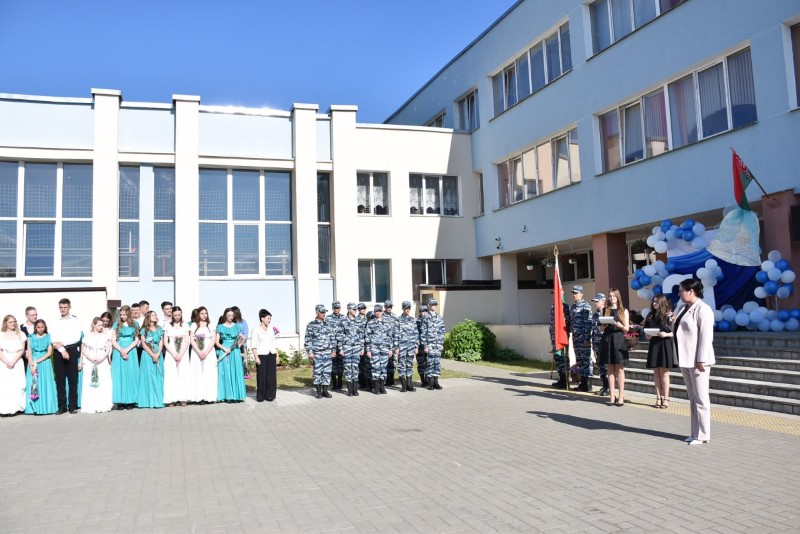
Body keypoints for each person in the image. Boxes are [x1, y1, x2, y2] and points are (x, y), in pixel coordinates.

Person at [674, 279, 715, 445]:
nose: (679, 294)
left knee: (701, 398)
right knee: (692, 398)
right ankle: (695, 432)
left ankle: (703, 434)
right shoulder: (682, 308)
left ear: (691, 291)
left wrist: (701, 358)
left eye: (681, 290)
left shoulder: (703, 309)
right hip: (685, 358)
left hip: (698, 360)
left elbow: (706, 336)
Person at [49, 298, 83, 414]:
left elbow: (76, 337)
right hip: (58, 352)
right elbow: (53, 339)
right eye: (61, 307)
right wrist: (62, 350)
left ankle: (72, 406)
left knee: (73, 380)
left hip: (72, 351)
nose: (63, 309)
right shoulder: (55, 322)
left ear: (69, 307)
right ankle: (62, 406)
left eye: (65, 307)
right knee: (60, 380)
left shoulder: (76, 321)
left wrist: (63, 343)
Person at [645, 294, 677, 409]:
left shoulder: (669, 315)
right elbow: (647, 332)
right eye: (653, 301)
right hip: (654, 344)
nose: (654, 303)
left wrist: (666, 334)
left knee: (664, 373)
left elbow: (675, 332)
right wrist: (648, 335)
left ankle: (666, 398)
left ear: (662, 302)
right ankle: (658, 398)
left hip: (665, 344)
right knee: (656, 372)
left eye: (657, 302)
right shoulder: (650, 315)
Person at [599, 288, 630, 406]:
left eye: (614, 296)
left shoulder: (623, 310)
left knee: (620, 369)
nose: (611, 298)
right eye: (610, 296)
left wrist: (619, 325)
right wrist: (602, 327)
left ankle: (621, 396)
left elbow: (627, 329)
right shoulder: (604, 310)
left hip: (619, 340)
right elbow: (600, 329)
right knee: (610, 370)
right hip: (607, 339)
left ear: (618, 297)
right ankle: (612, 396)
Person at [80, 317, 113, 413]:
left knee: (103, 381)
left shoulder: (105, 336)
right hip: (90, 360)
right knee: (90, 381)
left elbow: (107, 349)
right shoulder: (88, 336)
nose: (101, 327)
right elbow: (83, 349)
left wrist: (102, 358)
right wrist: (90, 358)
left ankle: (103, 404)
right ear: (94, 325)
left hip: (102, 360)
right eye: (99, 325)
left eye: (102, 325)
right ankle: (91, 405)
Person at [25, 319, 57, 415]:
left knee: (46, 384)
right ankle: (34, 407)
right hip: (33, 363)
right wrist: (31, 364)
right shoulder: (30, 337)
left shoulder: (48, 337)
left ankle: (47, 407)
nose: (40, 329)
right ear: (35, 327)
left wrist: (37, 361)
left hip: (45, 362)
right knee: (33, 384)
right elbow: (29, 352)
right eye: (38, 327)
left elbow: (49, 352)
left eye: (42, 327)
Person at [110, 305, 140, 409]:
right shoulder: (116, 324)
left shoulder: (135, 324)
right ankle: (120, 401)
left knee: (131, 374)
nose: (122, 316)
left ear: (129, 314)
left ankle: (131, 400)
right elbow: (113, 340)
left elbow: (136, 339)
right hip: (118, 351)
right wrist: (121, 350)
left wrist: (127, 350)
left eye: (124, 314)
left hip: (131, 350)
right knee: (119, 375)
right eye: (121, 314)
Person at [304, 304, 336, 399]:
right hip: (317, 353)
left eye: (324, 312)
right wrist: (310, 352)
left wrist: (333, 350)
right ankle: (318, 392)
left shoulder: (328, 324)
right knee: (317, 372)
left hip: (327, 352)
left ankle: (325, 391)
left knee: (327, 372)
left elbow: (332, 338)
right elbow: (308, 340)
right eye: (322, 312)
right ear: (317, 312)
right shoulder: (311, 325)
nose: (324, 314)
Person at [216, 308, 246, 402]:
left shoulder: (237, 326)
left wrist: (239, 344)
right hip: (224, 350)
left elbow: (241, 338)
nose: (230, 317)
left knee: (236, 371)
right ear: (225, 315)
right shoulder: (220, 327)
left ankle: (237, 396)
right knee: (225, 372)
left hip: (235, 350)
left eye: (232, 315)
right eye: (229, 315)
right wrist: (224, 348)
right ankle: (227, 396)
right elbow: (217, 342)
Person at [163, 306, 191, 406]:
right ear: (172, 315)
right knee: (171, 375)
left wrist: (181, 354)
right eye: (175, 315)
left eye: (179, 315)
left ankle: (183, 398)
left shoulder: (185, 325)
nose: (177, 317)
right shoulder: (167, 325)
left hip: (183, 352)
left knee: (183, 374)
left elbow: (187, 341)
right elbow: (165, 342)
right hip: (171, 352)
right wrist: (174, 354)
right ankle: (172, 399)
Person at [136, 311, 164, 409]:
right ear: (148, 317)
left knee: (158, 375)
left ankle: (158, 399)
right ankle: (148, 400)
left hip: (158, 352)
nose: (155, 316)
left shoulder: (159, 328)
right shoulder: (144, 330)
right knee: (148, 375)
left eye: (156, 315)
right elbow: (144, 344)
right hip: (147, 355)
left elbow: (161, 342)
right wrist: (152, 355)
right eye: (153, 315)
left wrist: (158, 353)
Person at [336, 303, 364, 397]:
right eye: (353, 309)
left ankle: (355, 390)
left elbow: (361, 335)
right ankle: (349, 390)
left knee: (355, 368)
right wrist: (340, 348)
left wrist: (362, 347)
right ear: (348, 309)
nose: (355, 311)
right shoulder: (343, 321)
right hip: (347, 347)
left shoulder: (358, 321)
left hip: (356, 347)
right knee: (348, 368)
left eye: (356, 309)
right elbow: (339, 336)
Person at [0, 315, 27, 415]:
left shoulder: (21, 334)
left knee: (18, 384)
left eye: (14, 322)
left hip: (17, 360)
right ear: (5, 323)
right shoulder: (1, 335)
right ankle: (5, 409)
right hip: (4, 361)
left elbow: (21, 350)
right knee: (5, 385)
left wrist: (13, 361)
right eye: (10, 322)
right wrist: (7, 362)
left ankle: (17, 408)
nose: (13, 324)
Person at [365, 303, 394, 394]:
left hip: (385, 348)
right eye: (377, 311)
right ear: (374, 312)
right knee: (375, 367)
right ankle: (376, 387)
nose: (378, 312)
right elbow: (367, 337)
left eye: (380, 311)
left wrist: (390, 349)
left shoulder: (387, 323)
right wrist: (368, 350)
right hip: (374, 348)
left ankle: (382, 386)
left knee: (383, 367)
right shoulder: (370, 323)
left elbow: (390, 336)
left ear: (382, 312)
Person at [189, 306, 217, 403]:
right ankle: (199, 397)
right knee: (198, 373)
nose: (204, 315)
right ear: (198, 315)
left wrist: (206, 352)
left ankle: (209, 397)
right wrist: (199, 352)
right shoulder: (194, 325)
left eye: (206, 313)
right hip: (197, 351)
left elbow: (213, 340)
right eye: (202, 313)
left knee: (209, 373)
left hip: (209, 351)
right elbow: (191, 340)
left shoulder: (211, 325)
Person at [251, 309, 279, 402]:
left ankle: (270, 395)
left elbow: (274, 343)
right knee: (261, 376)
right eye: (268, 318)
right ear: (262, 318)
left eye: (270, 319)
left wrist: (277, 355)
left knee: (271, 376)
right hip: (261, 355)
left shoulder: (271, 329)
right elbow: (253, 344)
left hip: (271, 353)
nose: (269, 320)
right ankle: (260, 396)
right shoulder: (256, 329)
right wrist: (256, 357)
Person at [570, 285, 593, 392]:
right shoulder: (573, 307)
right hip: (576, 339)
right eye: (573, 293)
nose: (574, 295)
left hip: (584, 339)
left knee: (586, 361)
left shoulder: (586, 306)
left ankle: (588, 384)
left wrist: (587, 339)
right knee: (580, 361)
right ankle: (583, 384)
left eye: (576, 293)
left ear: (581, 294)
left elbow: (588, 324)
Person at [420, 298, 445, 390]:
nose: (434, 306)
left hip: (437, 344)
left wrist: (441, 343)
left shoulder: (439, 317)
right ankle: (430, 383)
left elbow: (442, 331)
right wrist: (425, 345)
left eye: (435, 304)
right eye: (432, 304)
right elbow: (423, 332)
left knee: (437, 363)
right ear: (429, 305)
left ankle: (436, 382)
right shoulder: (426, 317)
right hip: (429, 344)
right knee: (430, 363)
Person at [550, 290, 572, 388]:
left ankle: (565, 380)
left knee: (564, 359)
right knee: (558, 359)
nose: (554, 296)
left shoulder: (566, 307)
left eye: (556, 294)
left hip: (562, 338)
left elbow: (568, 323)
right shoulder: (553, 307)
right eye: (553, 294)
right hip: (555, 338)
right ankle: (561, 379)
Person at [395, 301, 418, 392]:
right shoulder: (398, 320)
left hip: (411, 346)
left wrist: (416, 346)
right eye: (406, 308)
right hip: (402, 346)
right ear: (403, 308)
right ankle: (403, 385)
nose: (407, 310)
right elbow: (395, 334)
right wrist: (396, 347)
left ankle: (409, 384)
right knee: (401, 365)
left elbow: (416, 333)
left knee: (409, 364)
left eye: (409, 308)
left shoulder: (412, 320)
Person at [590, 293, 609, 396]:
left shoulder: (607, 313)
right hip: (597, 343)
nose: (595, 303)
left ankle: (608, 387)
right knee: (601, 365)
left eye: (597, 301)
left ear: (603, 301)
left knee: (606, 366)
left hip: (605, 343)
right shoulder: (595, 314)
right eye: (595, 301)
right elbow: (593, 329)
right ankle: (604, 386)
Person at [326, 301, 346, 390]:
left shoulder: (344, 318)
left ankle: (340, 383)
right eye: (334, 308)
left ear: (340, 308)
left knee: (341, 365)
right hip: (332, 345)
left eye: (337, 308)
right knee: (333, 365)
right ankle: (334, 384)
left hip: (342, 345)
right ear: (332, 308)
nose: (336, 309)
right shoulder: (328, 318)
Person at [231, 306, 250, 379]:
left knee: (241, 363)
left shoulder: (243, 322)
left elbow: (246, 334)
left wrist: (240, 343)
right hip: (232, 346)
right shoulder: (231, 323)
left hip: (241, 346)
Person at [382, 300, 398, 386]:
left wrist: (396, 344)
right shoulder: (381, 316)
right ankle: (385, 379)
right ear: (385, 307)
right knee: (385, 361)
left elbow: (397, 330)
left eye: (390, 306)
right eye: (388, 306)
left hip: (393, 343)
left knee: (393, 361)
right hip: (385, 343)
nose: (389, 308)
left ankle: (391, 379)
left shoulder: (395, 317)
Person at [356, 303, 370, 391]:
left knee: (367, 364)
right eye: (361, 308)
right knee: (360, 364)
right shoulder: (356, 319)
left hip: (367, 344)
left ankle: (368, 382)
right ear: (358, 309)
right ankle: (361, 383)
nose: (363, 309)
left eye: (364, 308)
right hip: (359, 345)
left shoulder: (368, 318)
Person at [416, 305, 429, 387]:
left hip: (428, 345)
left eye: (425, 311)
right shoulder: (417, 322)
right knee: (421, 363)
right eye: (422, 311)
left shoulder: (430, 321)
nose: (424, 313)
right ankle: (422, 380)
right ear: (420, 312)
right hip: (420, 346)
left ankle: (427, 379)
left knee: (428, 363)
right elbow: (415, 334)